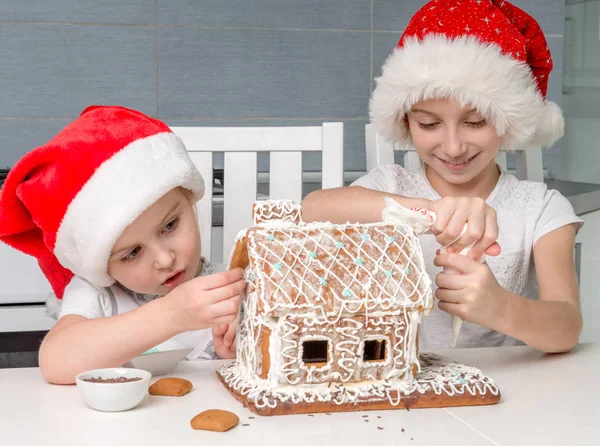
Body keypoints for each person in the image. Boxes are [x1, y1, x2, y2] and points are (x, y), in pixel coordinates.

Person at [302, 0, 583, 353]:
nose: (452, 147)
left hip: (508, 393)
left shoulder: (541, 208)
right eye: (429, 123)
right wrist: (427, 210)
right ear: (405, 122)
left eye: (475, 122)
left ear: (510, 120)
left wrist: (501, 307)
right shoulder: (390, 186)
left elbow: (567, 327)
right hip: (401, 391)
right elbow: (313, 208)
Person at [0, 106, 244, 384]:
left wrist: (234, 356)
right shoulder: (99, 294)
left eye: (170, 226)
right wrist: (171, 314)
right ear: (100, 263)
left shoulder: (231, 288)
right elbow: (56, 362)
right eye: (132, 253)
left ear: (190, 199)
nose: (165, 259)